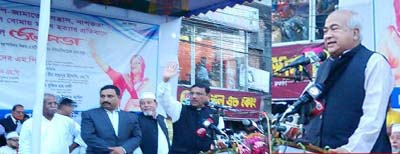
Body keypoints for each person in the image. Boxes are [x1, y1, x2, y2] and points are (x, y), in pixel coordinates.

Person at [313, 9, 393, 152]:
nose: (327, 35)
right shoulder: (324, 66)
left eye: (334, 29)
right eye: (325, 31)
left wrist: (352, 149)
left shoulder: (374, 62)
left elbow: (373, 115)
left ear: (355, 33)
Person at [157, 63, 224, 154]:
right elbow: (164, 99)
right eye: (192, 93)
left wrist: (221, 143)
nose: (194, 96)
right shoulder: (180, 109)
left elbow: (221, 138)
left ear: (208, 96)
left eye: (198, 94)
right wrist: (165, 81)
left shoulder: (215, 115)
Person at [90, 40, 154, 112]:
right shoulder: (122, 78)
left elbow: (142, 103)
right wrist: (94, 55)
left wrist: (139, 86)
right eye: (132, 63)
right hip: (121, 116)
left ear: (142, 66)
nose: (134, 65)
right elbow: (107, 69)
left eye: (137, 63)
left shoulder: (147, 83)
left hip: (140, 117)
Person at [81, 85, 141, 154]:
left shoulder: (131, 117)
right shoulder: (89, 114)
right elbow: (88, 136)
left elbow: (137, 137)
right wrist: (111, 150)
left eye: (110, 96)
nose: (105, 99)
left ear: (119, 98)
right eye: (102, 96)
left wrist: (123, 149)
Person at [18, 93, 84, 154]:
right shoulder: (30, 123)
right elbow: (24, 146)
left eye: (55, 103)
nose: (53, 105)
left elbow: (83, 133)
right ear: (41, 105)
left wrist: (72, 147)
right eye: (49, 103)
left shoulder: (66, 121)